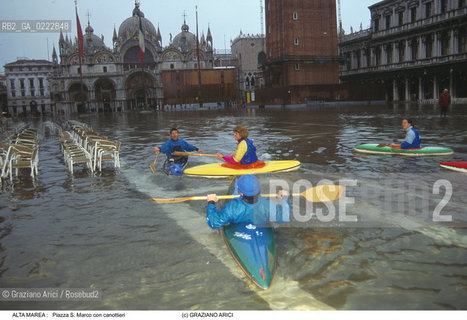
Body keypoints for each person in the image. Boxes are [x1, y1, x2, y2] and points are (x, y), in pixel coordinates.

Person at [206, 174, 290, 229]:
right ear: (259, 189)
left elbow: (214, 223)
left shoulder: (232, 207)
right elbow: (283, 219)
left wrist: (211, 203)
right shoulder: (269, 204)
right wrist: (284, 199)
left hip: (238, 222)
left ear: (241, 193)